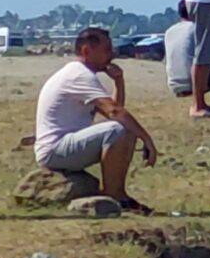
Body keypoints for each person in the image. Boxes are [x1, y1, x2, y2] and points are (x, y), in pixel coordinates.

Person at [34, 28, 156, 212]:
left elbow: (114, 111)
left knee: (123, 128)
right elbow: (114, 112)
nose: (112, 54)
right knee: (118, 129)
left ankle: (119, 194)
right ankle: (113, 194)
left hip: (63, 145)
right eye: (106, 49)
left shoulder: (80, 74)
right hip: (55, 150)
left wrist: (119, 82)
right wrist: (148, 140)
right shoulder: (79, 75)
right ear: (86, 51)